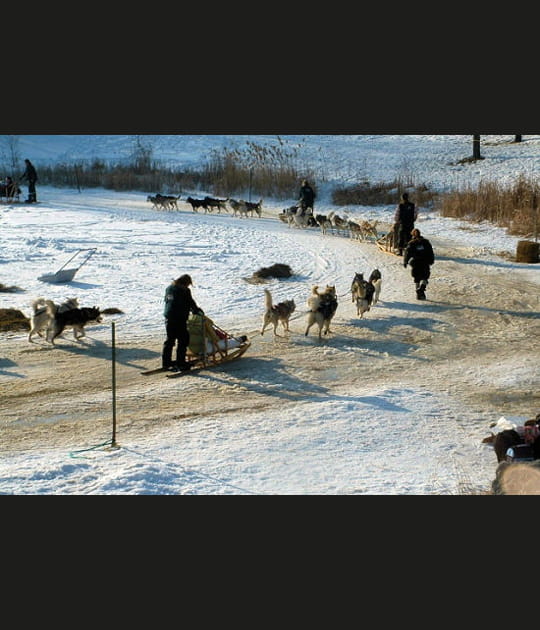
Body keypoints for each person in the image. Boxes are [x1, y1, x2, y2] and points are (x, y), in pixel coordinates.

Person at [162, 274, 204, 372]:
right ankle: (181, 363)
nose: (189, 286)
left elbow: (168, 301)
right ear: (186, 283)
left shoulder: (169, 288)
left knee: (170, 340)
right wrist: (197, 311)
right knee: (183, 340)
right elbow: (190, 302)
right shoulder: (184, 290)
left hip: (168, 317)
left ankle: (166, 363)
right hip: (179, 318)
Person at [403, 228, 435, 300]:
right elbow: (430, 252)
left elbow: (407, 254)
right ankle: (421, 289)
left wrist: (405, 262)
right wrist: (431, 260)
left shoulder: (411, 243)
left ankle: (418, 293)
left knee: (417, 278)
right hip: (425, 262)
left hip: (415, 263)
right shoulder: (426, 242)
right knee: (425, 277)